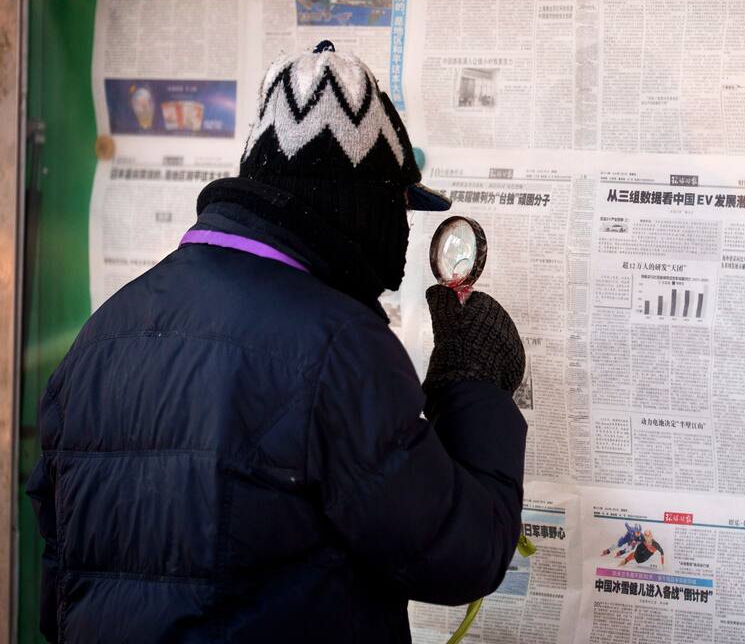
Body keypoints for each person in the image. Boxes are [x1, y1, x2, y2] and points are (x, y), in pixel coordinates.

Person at [27, 41, 528, 643]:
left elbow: (61, 586)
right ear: (360, 203)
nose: (402, 231)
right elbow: (463, 555)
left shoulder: (100, 337)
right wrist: (469, 380)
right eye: (400, 205)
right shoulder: (337, 346)